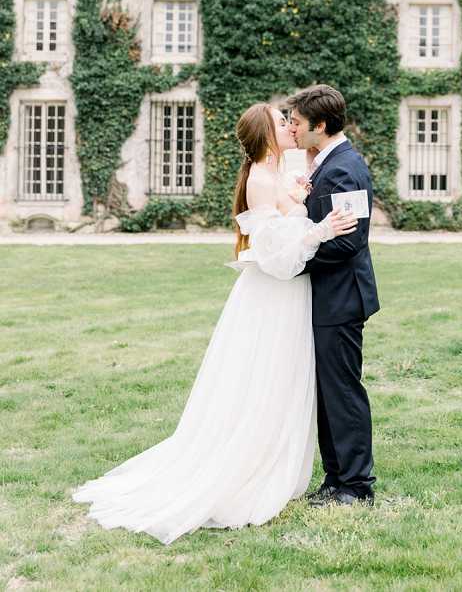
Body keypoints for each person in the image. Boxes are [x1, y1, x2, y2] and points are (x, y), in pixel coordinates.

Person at [71, 102, 356, 544]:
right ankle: (246, 472)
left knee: (281, 381)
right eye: (283, 123)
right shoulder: (261, 180)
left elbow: (284, 224)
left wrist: (298, 199)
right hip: (274, 296)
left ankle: (273, 462)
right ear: (266, 133)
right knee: (264, 380)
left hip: (289, 298)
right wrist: (321, 229)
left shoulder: (277, 175)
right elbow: (277, 258)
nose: (290, 126)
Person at [288, 84, 379, 507]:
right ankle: (336, 477)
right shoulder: (325, 163)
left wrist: (292, 259)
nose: (292, 129)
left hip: (342, 299)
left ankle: (356, 485)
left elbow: (349, 242)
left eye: (298, 123)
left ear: (319, 126)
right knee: (327, 391)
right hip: (327, 298)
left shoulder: (345, 169)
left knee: (342, 391)